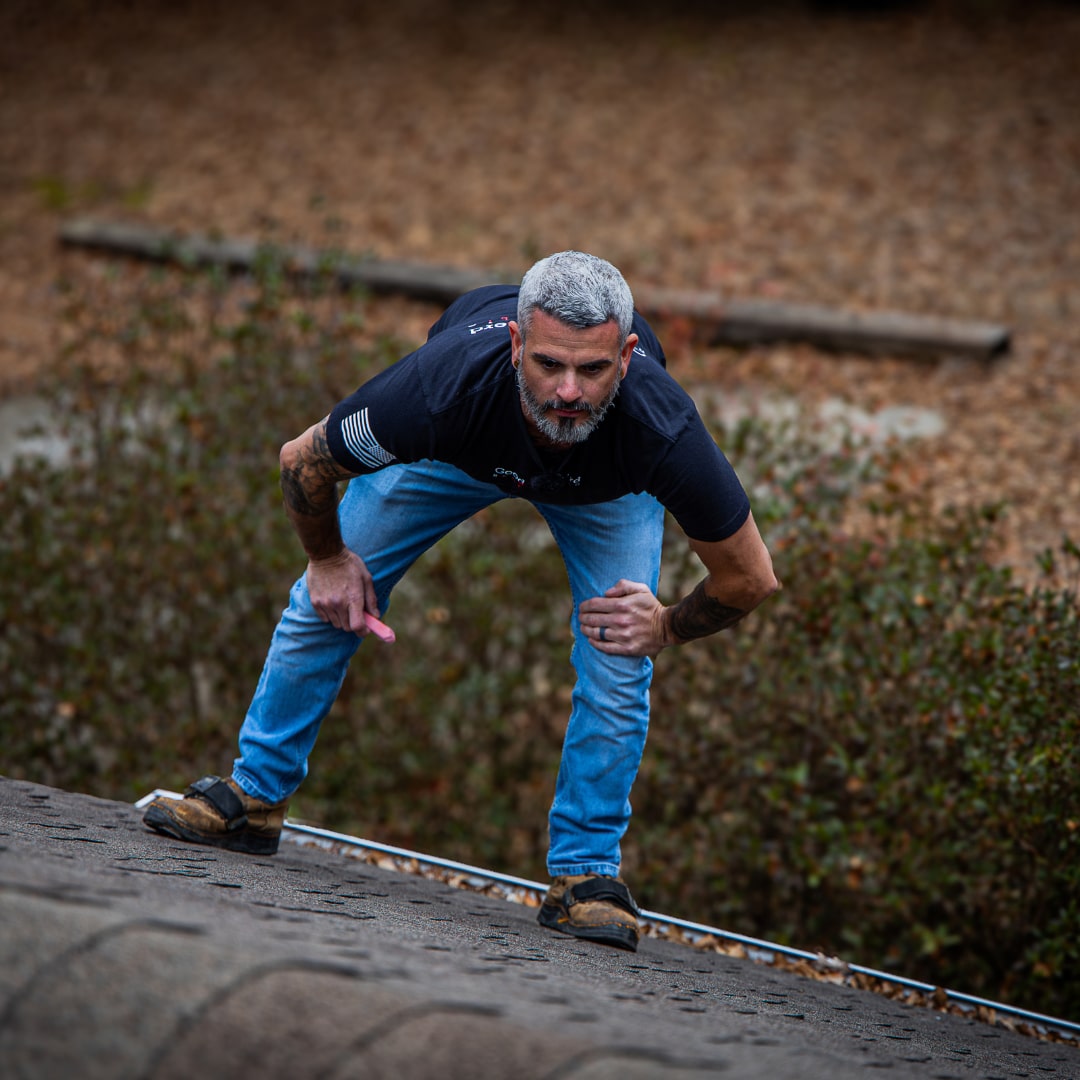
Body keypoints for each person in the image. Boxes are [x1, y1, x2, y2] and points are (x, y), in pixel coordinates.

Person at [144, 250, 779, 951]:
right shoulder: (437, 390)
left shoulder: (662, 428)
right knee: (328, 597)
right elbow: (303, 459)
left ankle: (586, 876)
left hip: (606, 486)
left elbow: (750, 578)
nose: (568, 390)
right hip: (455, 452)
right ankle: (254, 798)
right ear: (515, 344)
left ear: (627, 358)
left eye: (593, 369)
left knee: (619, 651)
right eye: (548, 364)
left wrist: (665, 625)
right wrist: (327, 560)